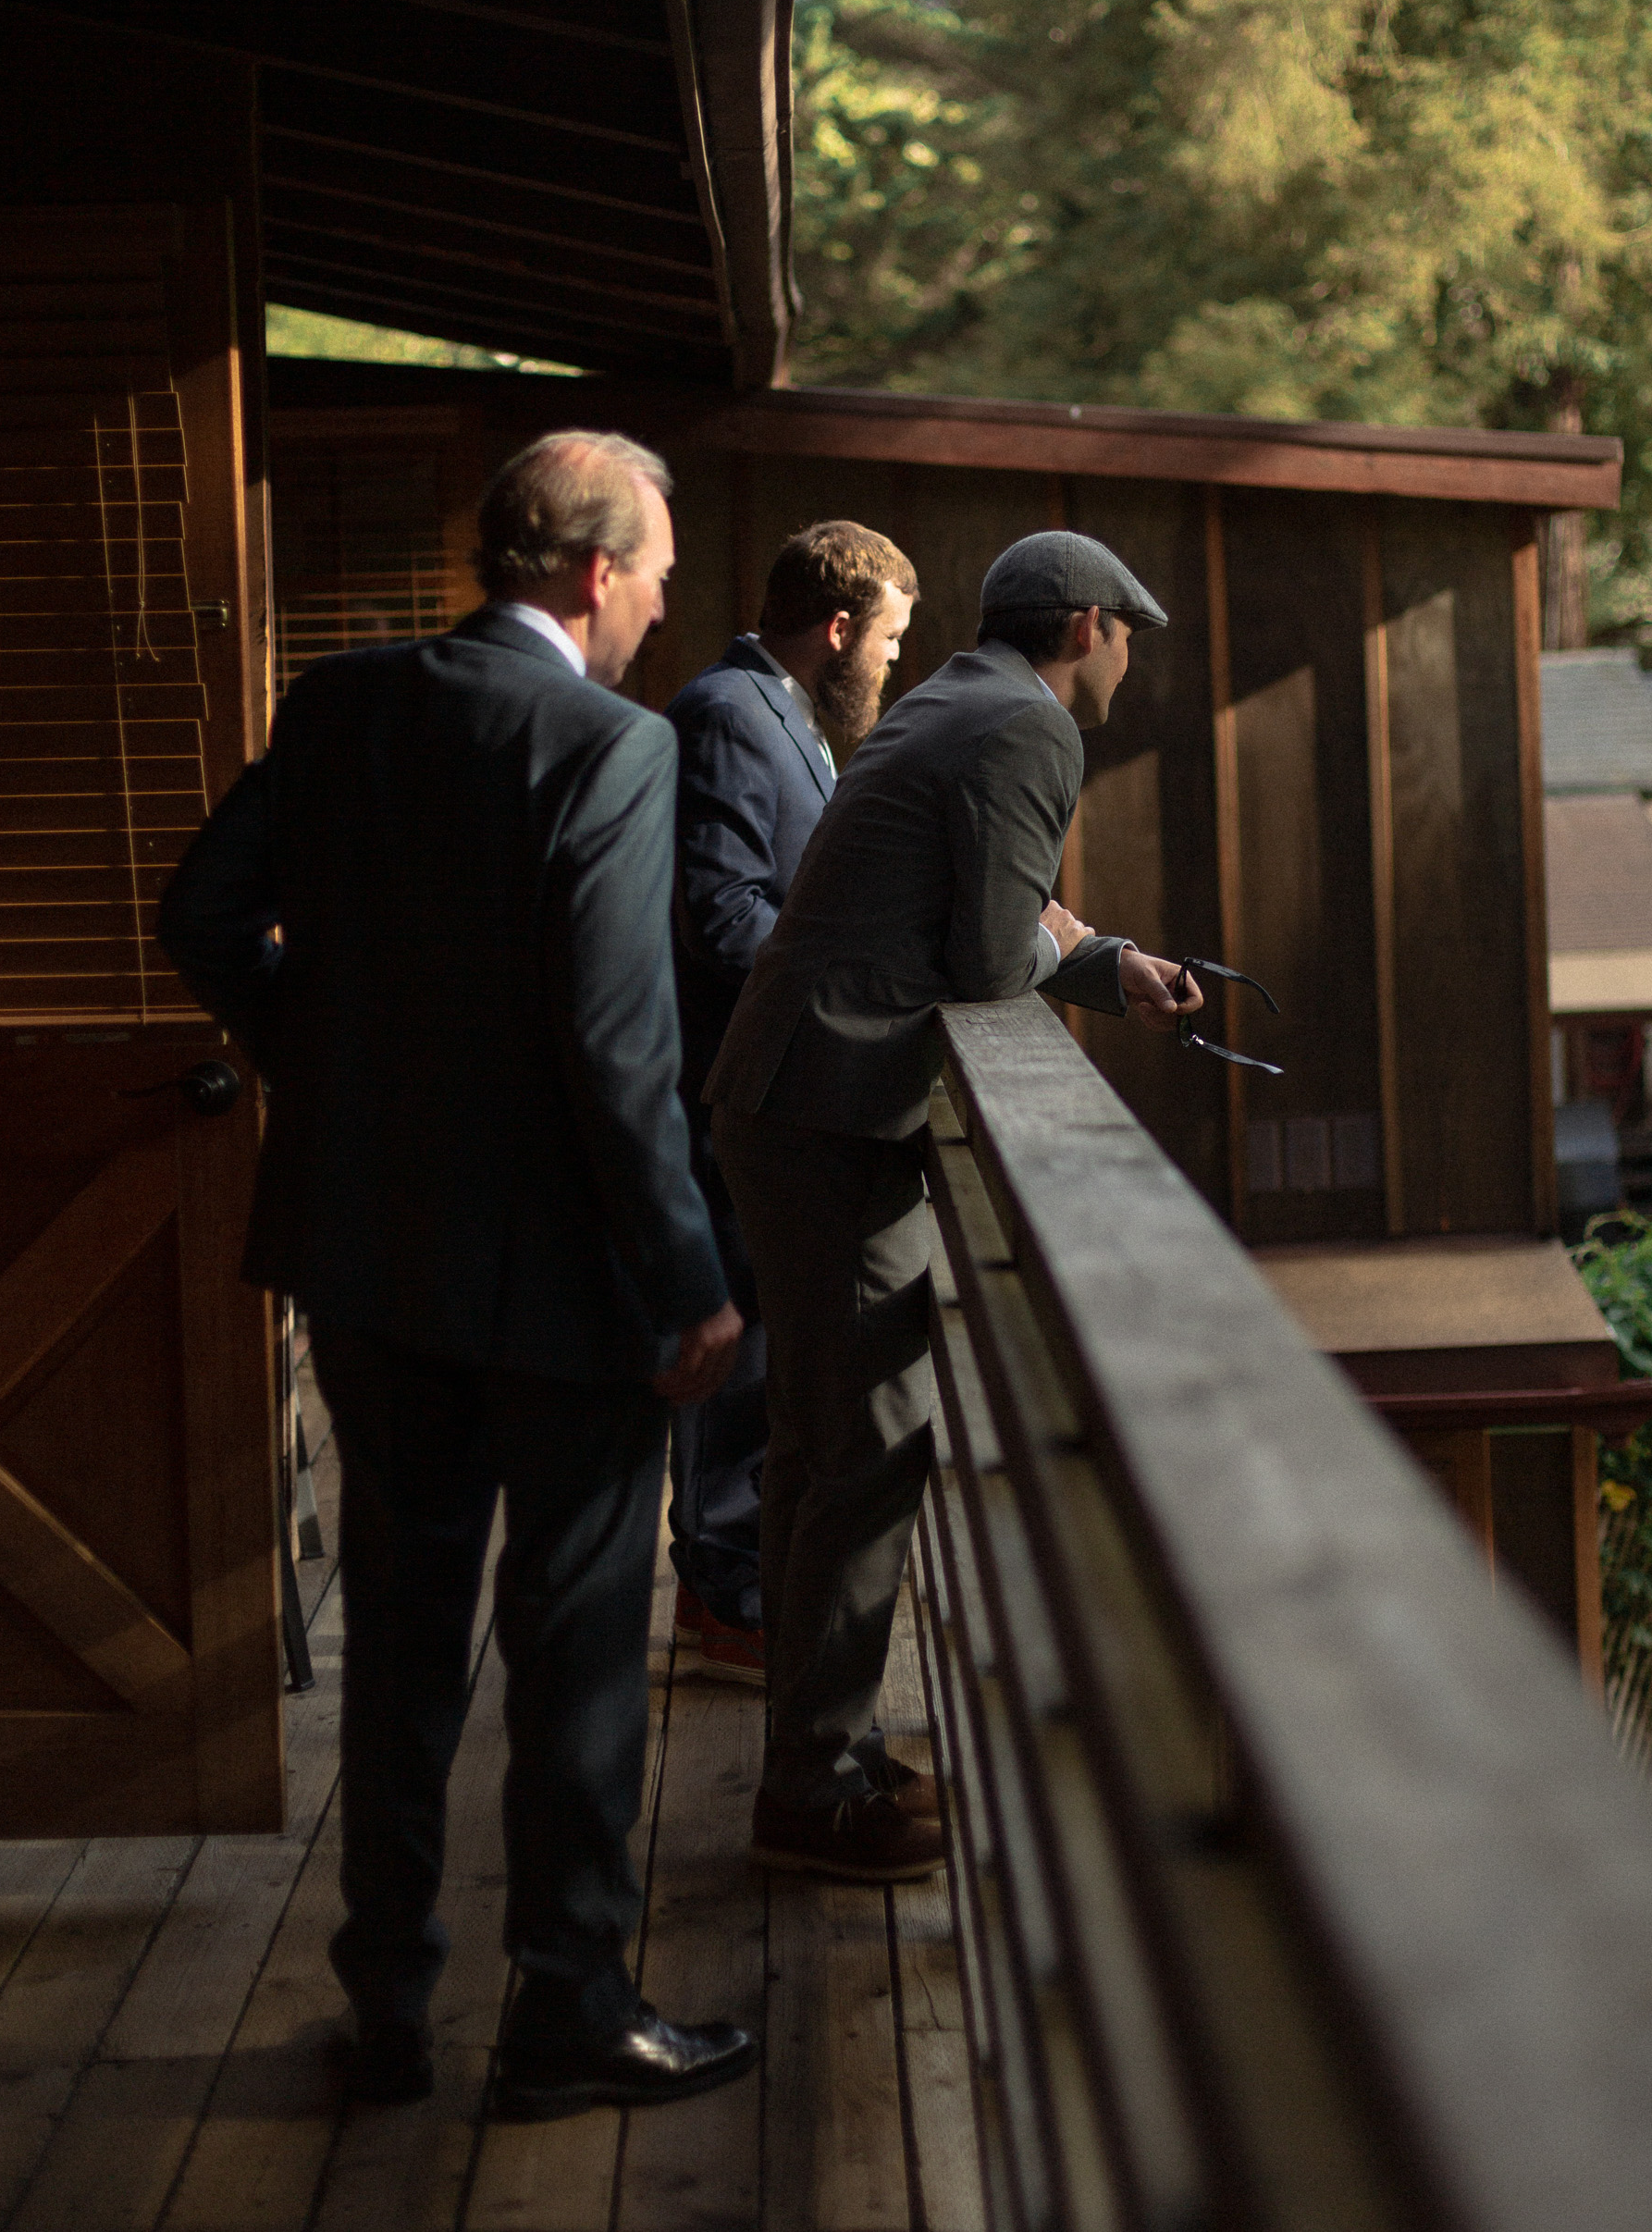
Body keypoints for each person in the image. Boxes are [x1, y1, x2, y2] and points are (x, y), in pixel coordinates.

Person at [157, 430, 758, 2121]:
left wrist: (327, 1066)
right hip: (566, 1282)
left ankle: (391, 2009)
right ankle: (566, 2011)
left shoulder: (344, 704)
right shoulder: (609, 749)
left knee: (404, 1641)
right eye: (647, 577)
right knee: (573, 1650)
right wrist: (691, 1281)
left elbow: (203, 913)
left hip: (366, 1258)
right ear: (589, 573)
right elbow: (618, 1048)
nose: (654, 608)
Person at [705, 530, 1202, 1882]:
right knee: (865, 1447)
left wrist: (1105, 963)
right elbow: (987, 955)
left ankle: (827, 1755)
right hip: (832, 1112)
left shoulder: (947, 699)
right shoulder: (1030, 731)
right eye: (1129, 635)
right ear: (1090, 626)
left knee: (821, 1445)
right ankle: (814, 1788)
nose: (1127, 659)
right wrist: (1058, 944)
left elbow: (983, 919)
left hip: (789, 1094)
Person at [667, 522, 919, 1688]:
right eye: (888, 640)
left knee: (767, 1348)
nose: (891, 665)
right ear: (834, 628)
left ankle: (741, 1587)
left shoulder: (792, 718)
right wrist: (852, 986)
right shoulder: (727, 711)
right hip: (737, 1079)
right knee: (740, 1351)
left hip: (775, 1082)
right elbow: (720, 915)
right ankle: (722, 1597)